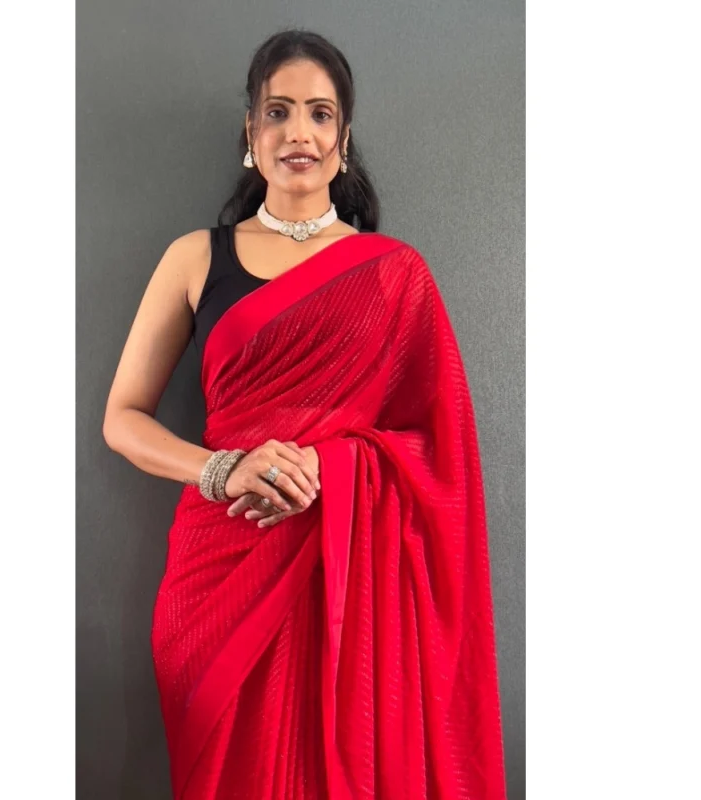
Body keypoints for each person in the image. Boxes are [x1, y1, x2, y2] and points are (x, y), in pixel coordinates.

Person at [103, 28, 507, 800]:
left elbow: (440, 449)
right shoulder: (196, 257)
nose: (298, 132)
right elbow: (122, 418)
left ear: (343, 140)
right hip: (215, 576)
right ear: (250, 133)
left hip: (344, 582)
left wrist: (334, 464)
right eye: (278, 111)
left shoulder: (394, 276)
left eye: (320, 114)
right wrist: (222, 469)